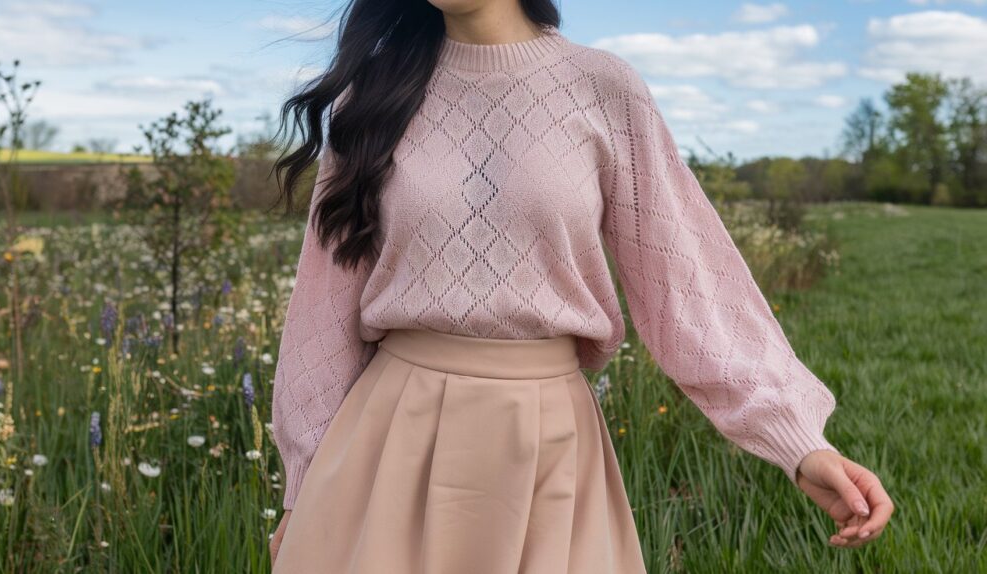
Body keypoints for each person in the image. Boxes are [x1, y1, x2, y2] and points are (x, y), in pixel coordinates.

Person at [267, 2, 894, 571]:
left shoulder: (604, 88)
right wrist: (303, 490)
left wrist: (798, 443)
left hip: (548, 445)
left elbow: (688, 285)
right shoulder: (369, 99)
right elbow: (321, 318)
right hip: (389, 439)